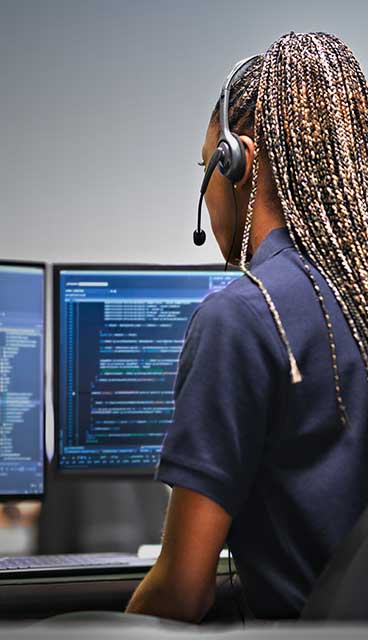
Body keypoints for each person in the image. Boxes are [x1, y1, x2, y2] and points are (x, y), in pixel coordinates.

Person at [126, 32, 368, 622]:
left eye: (204, 168)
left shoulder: (243, 318)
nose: (205, 195)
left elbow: (183, 590)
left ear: (239, 161)